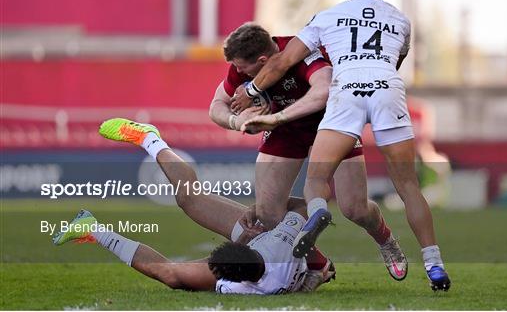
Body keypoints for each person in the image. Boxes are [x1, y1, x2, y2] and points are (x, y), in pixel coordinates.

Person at [236, 0, 450, 291]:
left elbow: (283, 60)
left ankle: (318, 212)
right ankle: (434, 264)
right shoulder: (400, 19)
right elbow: (396, 60)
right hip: (387, 91)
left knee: (317, 178)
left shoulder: (326, 17)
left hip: (346, 92)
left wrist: (252, 89)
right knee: (408, 187)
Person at [209, 23, 407, 281]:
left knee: (355, 208)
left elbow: (323, 91)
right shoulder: (242, 65)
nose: (236, 71)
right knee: (268, 212)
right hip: (286, 130)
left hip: (332, 122)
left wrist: (277, 117)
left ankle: (385, 239)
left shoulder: (302, 50)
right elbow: (216, 106)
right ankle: (319, 264)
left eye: (241, 67)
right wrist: (238, 121)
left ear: (262, 60)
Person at [52, 118, 329, 294]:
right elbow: (305, 206)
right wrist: (265, 209)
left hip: (269, 245)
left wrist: (314, 268)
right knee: (189, 198)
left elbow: (302, 210)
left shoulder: (247, 284)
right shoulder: (285, 244)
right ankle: (148, 137)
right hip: (270, 237)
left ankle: (92, 229)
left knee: (173, 272)